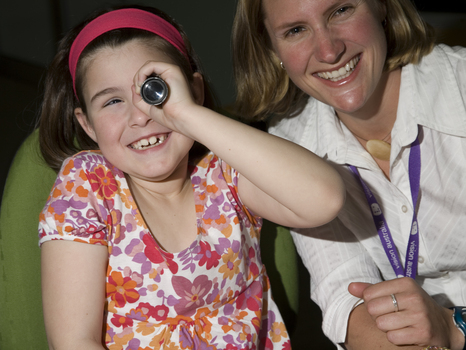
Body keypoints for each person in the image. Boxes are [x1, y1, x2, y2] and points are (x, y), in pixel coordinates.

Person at [37, 5, 345, 350]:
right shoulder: (88, 186)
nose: (140, 116)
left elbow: (325, 197)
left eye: (154, 92)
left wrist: (186, 115)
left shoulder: (224, 173)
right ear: (87, 124)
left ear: (193, 91)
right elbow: (73, 342)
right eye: (111, 102)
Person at [231, 0, 466, 349]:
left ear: (381, 7)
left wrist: (453, 326)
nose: (328, 51)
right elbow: (346, 300)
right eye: (295, 30)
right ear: (271, 48)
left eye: (341, 11)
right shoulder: (291, 145)